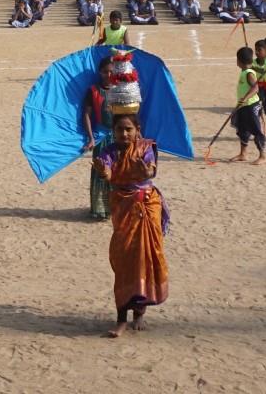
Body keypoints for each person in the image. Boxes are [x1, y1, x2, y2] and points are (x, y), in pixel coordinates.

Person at [92, 113, 169, 338]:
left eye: (128, 129)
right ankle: (121, 319)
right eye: (119, 129)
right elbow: (107, 172)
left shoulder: (146, 148)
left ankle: (139, 313)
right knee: (124, 261)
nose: (124, 134)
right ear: (113, 131)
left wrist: (147, 171)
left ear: (137, 130)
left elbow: (150, 169)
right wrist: (103, 172)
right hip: (123, 208)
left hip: (147, 207)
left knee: (145, 257)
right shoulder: (108, 152)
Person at [83, 56, 116, 219]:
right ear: (100, 72)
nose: (108, 75)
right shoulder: (93, 90)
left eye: (111, 72)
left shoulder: (122, 89)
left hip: (120, 137)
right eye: (105, 72)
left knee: (119, 171)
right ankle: (101, 209)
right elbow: (87, 115)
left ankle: (117, 207)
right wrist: (91, 138)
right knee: (100, 171)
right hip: (101, 138)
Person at [231, 47, 266, 165]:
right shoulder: (244, 72)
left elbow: (255, 88)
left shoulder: (249, 73)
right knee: (242, 130)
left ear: (239, 61)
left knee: (256, 130)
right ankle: (243, 154)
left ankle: (263, 156)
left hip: (251, 106)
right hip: (243, 106)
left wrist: (245, 99)